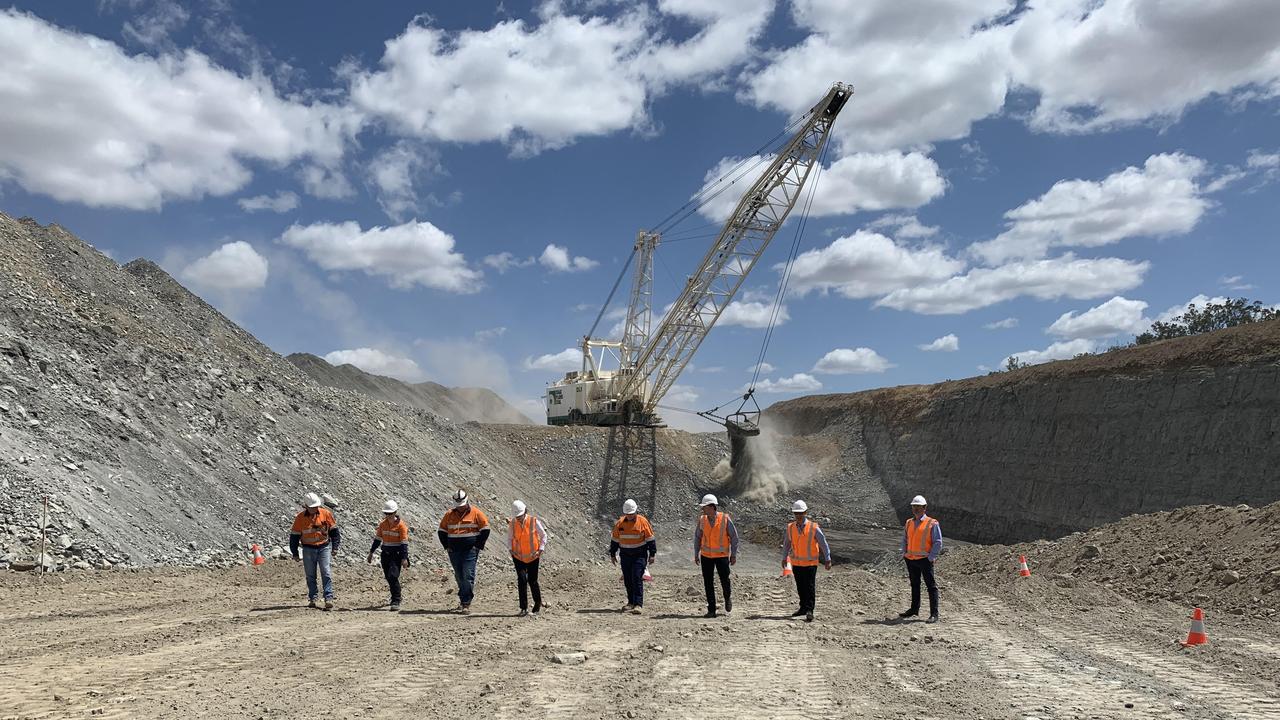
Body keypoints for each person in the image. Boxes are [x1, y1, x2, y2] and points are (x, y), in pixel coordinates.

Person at [437, 489, 490, 614]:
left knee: (467, 574)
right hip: (454, 551)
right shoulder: (449, 514)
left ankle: (466, 602)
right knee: (459, 575)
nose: (460, 508)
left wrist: (478, 545)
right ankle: (463, 598)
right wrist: (446, 546)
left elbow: (486, 530)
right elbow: (441, 531)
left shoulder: (476, 513)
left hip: (470, 551)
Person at [781, 499, 831, 622]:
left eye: (801, 513)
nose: (798, 515)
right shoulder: (790, 527)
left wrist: (827, 558)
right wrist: (784, 557)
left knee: (809, 587)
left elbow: (823, 543)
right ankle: (803, 608)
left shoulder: (813, 527)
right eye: (796, 513)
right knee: (800, 587)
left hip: (810, 563)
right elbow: (787, 544)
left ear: (805, 512)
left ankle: (809, 610)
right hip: (797, 563)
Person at [290, 492, 342, 610]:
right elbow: (294, 537)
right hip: (308, 548)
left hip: (324, 547)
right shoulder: (300, 518)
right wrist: (295, 553)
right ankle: (313, 598)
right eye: (312, 507)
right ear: (306, 506)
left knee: (326, 572)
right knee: (310, 575)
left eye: (316, 507)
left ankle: (328, 597)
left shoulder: (326, 514)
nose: (314, 509)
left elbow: (334, 532)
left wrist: (335, 547)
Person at [692, 494, 738, 618]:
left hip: (722, 556)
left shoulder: (725, 519)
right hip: (706, 556)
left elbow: (734, 537)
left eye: (705, 507)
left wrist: (733, 555)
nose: (703, 510)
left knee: (725, 580)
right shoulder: (702, 520)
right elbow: (697, 537)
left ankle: (727, 598)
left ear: (712, 507)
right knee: (708, 582)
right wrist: (696, 553)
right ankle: (711, 610)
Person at [899, 495, 942, 623]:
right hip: (911, 559)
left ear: (924, 508)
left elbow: (938, 542)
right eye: (914, 506)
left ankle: (934, 614)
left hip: (924, 560)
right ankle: (914, 609)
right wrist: (904, 553)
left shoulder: (932, 523)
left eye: (918, 506)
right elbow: (905, 539)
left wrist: (931, 557)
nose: (916, 509)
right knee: (915, 584)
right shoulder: (909, 522)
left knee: (931, 586)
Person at [609, 498, 656, 615]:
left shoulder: (643, 522)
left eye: (631, 514)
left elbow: (650, 539)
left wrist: (652, 554)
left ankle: (638, 604)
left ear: (635, 511)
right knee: (628, 579)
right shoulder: (620, 523)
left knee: (636, 578)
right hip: (625, 555)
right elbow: (614, 540)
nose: (630, 516)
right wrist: (612, 554)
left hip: (639, 555)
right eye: (627, 514)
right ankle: (630, 602)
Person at [368, 500, 410, 611]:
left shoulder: (401, 526)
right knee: (388, 577)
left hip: (396, 555)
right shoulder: (383, 524)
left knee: (393, 576)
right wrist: (371, 552)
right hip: (385, 555)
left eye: (390, 513)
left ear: (395, 512)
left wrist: (404, 558)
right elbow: (377, 539)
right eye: (386, 514)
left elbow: (404, 543)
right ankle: (395, 596)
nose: (388, 516)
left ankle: (396, 599)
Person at [508, 500, 547, 617]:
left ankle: (537, 603)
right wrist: (510, 549)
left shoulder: (534, 521)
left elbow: (544, 535)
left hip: (533, 556)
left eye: (520, 516)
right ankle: (523, 608)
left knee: (532, 580)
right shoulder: (513, 523)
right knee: (521, 580)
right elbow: (509, 538)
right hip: (518, 556)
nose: (519, 518)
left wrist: (541, 549)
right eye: (517, 516)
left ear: (525, 511)